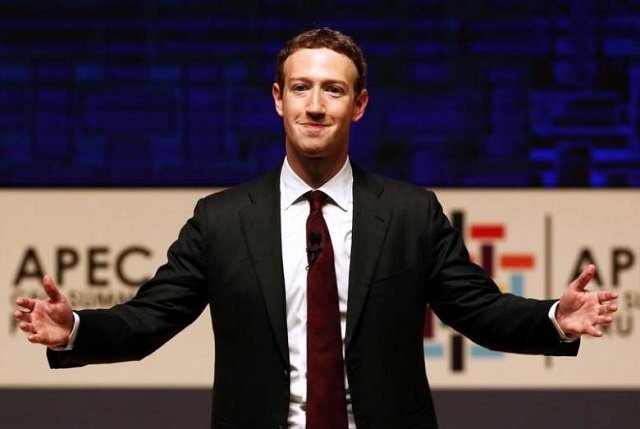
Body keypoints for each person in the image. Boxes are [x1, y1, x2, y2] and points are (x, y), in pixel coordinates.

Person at [14, 28, 618, 429]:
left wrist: (552, 320)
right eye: (301, 88)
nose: (315, 104)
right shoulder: (222, 220)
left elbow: (477, 309)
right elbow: (151, 319)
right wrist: (76, 330)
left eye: (334, 89)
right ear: (277, 99)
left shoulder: (411, 213)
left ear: (359, 105)